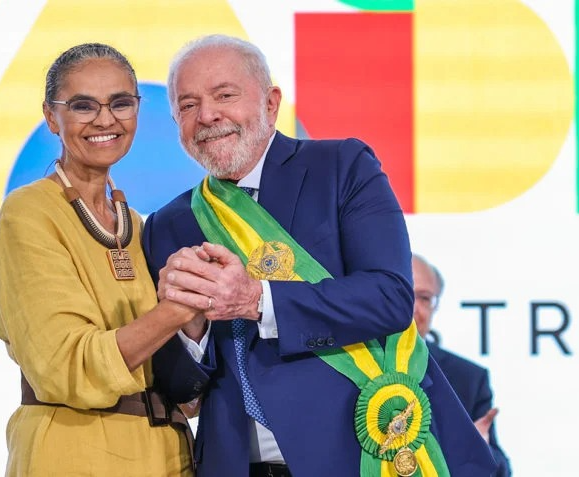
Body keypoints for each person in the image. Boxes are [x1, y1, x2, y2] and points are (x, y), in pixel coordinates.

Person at [142, 34, 498, 477]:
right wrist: (189, 330)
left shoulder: (342, 167)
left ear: (271, 103)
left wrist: (258, 300)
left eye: (224, 95)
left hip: (356, 454)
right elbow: (177, 388)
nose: (207, 115)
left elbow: (388, 298)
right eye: (188, 105)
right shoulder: (167, 224)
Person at [0, 43, 203, 476]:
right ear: (52, 117)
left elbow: (178, 384)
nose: (105, 119)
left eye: (121, 103)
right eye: (83, 105)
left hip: (168, 454)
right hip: (76, 451)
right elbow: (66, 365)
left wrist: (198, 325)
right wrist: (177, 309)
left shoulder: (137, 224)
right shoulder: (30, 211)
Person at [412, 254, 512, 476]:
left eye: (425, 298)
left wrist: (479, 450)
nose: (414, 308)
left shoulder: (468, 378)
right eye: (405, 294)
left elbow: (501, 470)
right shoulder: (344, 363)